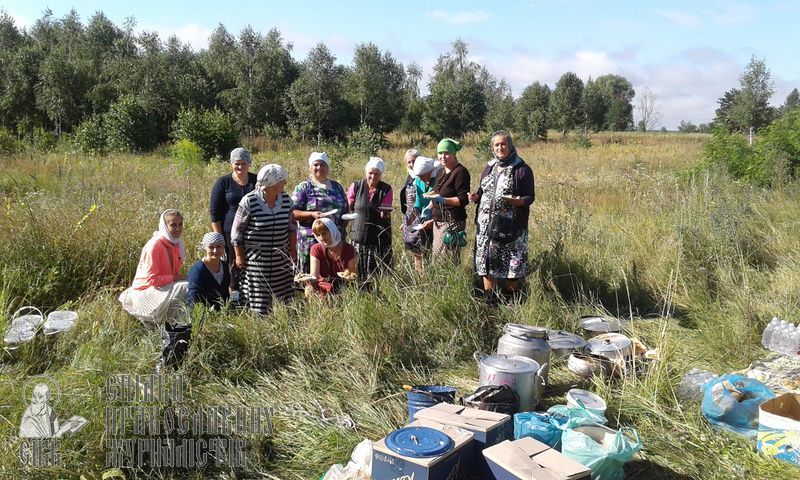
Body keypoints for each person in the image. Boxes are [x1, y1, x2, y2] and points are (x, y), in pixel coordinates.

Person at [469, 130, 535, 304]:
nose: (500, 147)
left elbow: (530, 196)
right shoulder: (490, 167)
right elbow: (483, 191)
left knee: (511, 267)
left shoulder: (521, 169)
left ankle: (511, 304)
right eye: (496, 145)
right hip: (486, 228)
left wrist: (519, 201)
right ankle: (490, 304)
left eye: (503, 144)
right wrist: (476, 197)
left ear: (510, 145)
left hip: (511, 228)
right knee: (488, 265)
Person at [232, 164, 297, 315]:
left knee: (283, 297)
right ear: (270, 183)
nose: (284, 184)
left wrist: (293, 252)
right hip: (257, 259)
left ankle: (284, 321)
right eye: (281, 181)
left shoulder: (286, 200)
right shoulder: (249, 201)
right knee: (259, 298)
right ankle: (259, 325)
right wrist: (239, 256)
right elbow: (236, 233)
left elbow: (292, 228)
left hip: (281, 259)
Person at [119, 209, 188, 328]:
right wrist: (178, 278)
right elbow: (152, 280)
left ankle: (181, 325)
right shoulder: (155, 245)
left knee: (192, 283)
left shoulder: (176, 244)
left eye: (180, 224)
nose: (178, 228)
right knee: (185, 286)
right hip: (144, 291)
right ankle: (172, 327)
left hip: (160, 287)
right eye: (173, 225)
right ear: (165, 227)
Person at [209, 147, 257, 302]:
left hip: (254, 231)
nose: (240, 167)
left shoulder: (256, 181)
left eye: (244, 163)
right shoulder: (223, 182)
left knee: (252, 261)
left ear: (249, 163)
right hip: (229, 232)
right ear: (231, 164)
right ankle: (234, 296)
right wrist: (218, 237)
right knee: (232, 264)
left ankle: (252, 293)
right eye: (237, 163)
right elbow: (215, 212)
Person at [291, 152, 348, 273]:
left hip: (335, 240)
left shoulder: (337, 187)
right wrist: (311, 215)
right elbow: (292, 213)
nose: (319, 168)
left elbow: (345, 209)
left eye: (322, 164)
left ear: (327, 167)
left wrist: (343, 227)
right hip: (311, 239)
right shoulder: (304, 187)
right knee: (311, 277)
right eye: (316, 164)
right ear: (310, 167)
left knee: (333, 274)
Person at [347, 156, 393, 279]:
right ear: (366, 172)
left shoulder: (386, 189)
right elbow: (349, 205)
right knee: (357, 270)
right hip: (358, 236)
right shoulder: (356, 186)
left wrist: (385, 213)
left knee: (377, 272)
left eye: (376, 174)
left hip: (377, 238)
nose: (373, 177)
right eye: (370, 173)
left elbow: (386, 208)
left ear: (381, 174)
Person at [431, 138, 471, 263]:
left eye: (446, 153)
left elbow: (462, 200)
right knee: (438, 257)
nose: (443, 156)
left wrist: (442, 200)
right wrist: (428, 207)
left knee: (445, 259)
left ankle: (449, 281)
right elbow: (435, 192)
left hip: (452, 221)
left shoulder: (460, 172)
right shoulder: (441, 171)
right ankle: (440, 282)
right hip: (438, 220)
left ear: (454, 154)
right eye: (440, 153)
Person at [401, 155, 439, 272]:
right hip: (423, 220)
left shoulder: (438, 179)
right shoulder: (418, 180)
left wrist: (430, 215)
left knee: (434, 251)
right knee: (420, 248)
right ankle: (421, 276)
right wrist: (411, 217)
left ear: (430, 171)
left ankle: (432, 275)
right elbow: (418, 201)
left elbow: (438, 201)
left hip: (436, 218)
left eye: (423, 176)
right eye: (419, 177)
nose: (421, 179)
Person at [306, 218, 357, 300]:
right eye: (318, 235)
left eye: (324, 233)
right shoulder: (316, 248)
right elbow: (314, 276)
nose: (321, 238)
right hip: (323, 285)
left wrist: (346, 274)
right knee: (309, 288)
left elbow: (352, 276)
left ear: (332, 231)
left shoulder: (349, 249)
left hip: (343, 285)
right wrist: (306, 279)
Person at [186, 232, 230, 310]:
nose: (215, 251)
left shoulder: (225, 267)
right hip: (202, 313)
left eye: (219, 246)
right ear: (205, 248)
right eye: (211, 247)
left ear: (223, 248)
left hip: (221, 313)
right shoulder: (198, 269)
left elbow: (225, 294)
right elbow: (193, 298)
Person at [399, 148, 419, 216]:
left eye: (414, 161)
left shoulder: (424, 176)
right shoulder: (410, 176)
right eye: (409, 162)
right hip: (410, 212)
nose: (412, 164)